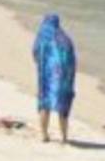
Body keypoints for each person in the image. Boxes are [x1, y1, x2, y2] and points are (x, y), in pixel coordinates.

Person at [32, 14, 77, 144]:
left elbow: (35, 53)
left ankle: (44, 134)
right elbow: (72, 59)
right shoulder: (66, 39)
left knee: (45, 103)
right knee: (63, 106)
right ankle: (64, 137)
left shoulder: (43, 36)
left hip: (47, 77)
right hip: (64, 79)